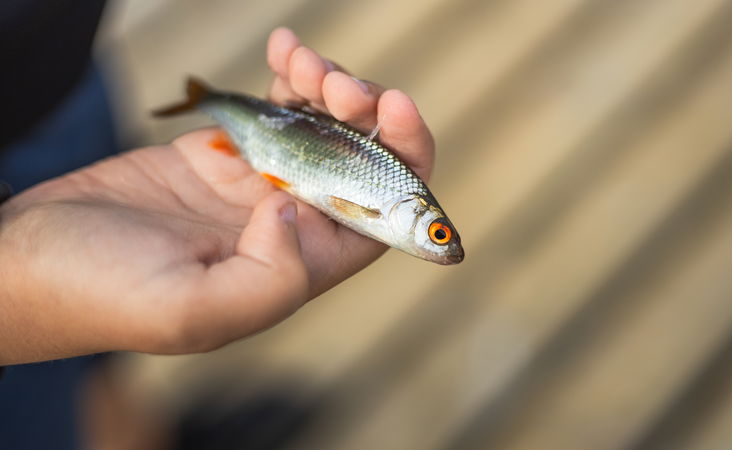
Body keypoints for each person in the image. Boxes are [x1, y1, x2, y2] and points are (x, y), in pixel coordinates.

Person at [0, 24, 434, 446]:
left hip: (55, 60)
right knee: (35, 398)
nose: (438, 240)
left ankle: (147, 437)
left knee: (97, 362)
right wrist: (17, 294)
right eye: (435, 231)